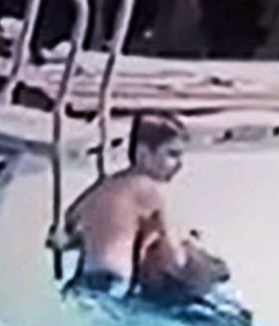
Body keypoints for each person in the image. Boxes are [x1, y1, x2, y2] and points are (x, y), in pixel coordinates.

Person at [63, 111, 196, 298]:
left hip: (85, 280)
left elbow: (68, 224)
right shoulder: (150, 190)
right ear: (143, 154)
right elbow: (175, 260)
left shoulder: (103, 186)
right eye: (172, 154)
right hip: (114, 283)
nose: (179, 165)